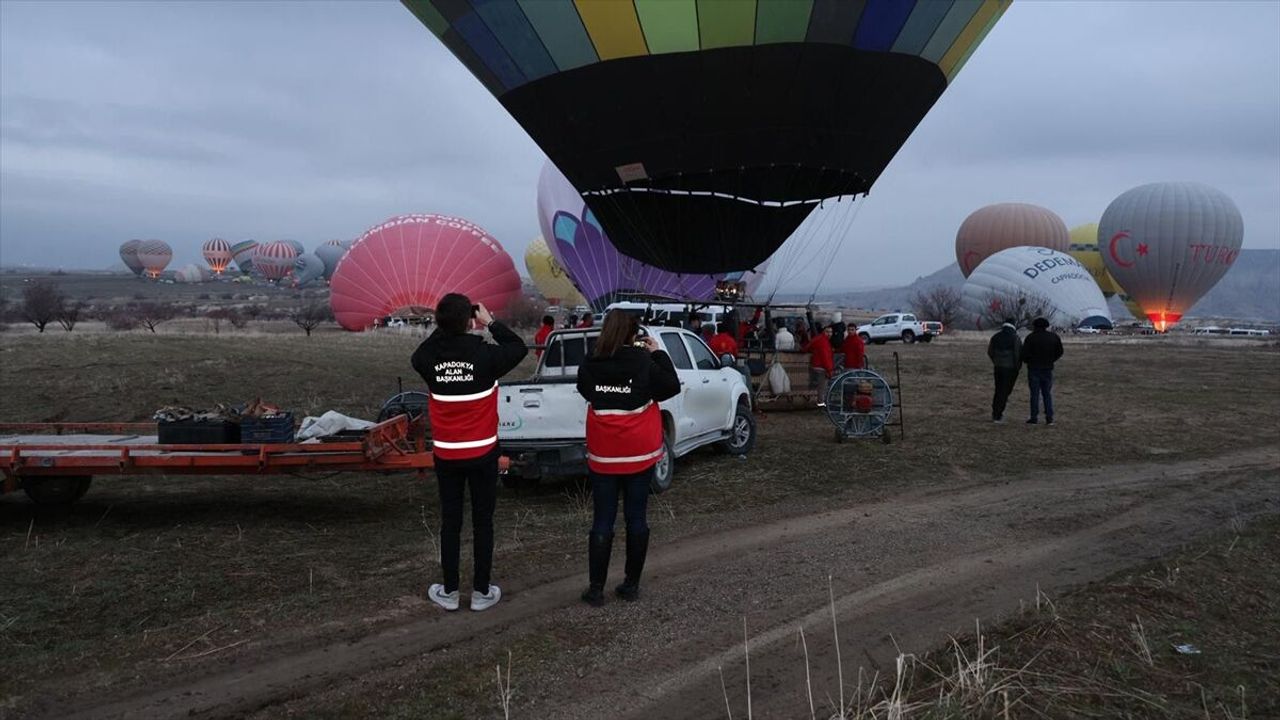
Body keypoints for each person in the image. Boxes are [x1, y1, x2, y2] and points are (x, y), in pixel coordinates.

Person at [411, 294, 528, 612]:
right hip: (483, 453)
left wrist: (446, 326)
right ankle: (481, 591)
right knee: (482, 522)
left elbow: (418, 355)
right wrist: (490, 322)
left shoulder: (429, 358)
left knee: (450, 523)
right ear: (469, 320)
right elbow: (518, 347)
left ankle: (449, 591)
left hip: (447, 455)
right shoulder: (486, 355)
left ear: (439, 322)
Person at [575, 311, 681, 605]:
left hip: (604, 452)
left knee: (602, 518)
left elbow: (584, 388)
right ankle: (630, 585)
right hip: (639, 452)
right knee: (636, 516)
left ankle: (596, 589)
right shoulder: (643, 361)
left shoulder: (592, 360)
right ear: (634, 334)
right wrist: (657, 353)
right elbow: (671, 386)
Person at [1021, 317, 1064, 425]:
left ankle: (1034, 417)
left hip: (1034, 368)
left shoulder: (1030, 338)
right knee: (1047, 394)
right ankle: (1049, 417)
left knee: (1034, 394)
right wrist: (1051, 360)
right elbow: (1060, 351)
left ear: (1035, 326)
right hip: (1047, 368)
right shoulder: (1053, 337)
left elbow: (1024, 354)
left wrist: (1028, 361)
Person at [986, 317, 1022, 423]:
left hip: (998, 367)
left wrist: (996, 361)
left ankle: (995, 412)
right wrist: (1017, 367)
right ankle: (998, 414)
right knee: (1005, 391)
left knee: (998, 389)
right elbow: (1017, 353)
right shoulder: (1015, 337)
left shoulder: (995, 337)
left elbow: (990, 352)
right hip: (1010, 368)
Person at [803, 324, 834, 407]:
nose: (829, 334)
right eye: (827, 332)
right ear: (823, 331)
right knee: (822, 388)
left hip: (815, 365)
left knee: (815, 386)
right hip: (822, 367)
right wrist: (829, 370)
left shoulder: (817, 339)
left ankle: (815, 401)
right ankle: (821, 404)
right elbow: (825, 357)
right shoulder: (824, 342)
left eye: (830, 332)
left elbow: (807, 347)